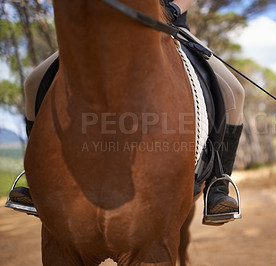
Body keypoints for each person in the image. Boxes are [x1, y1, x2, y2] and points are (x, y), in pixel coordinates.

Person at [9, 0, 245, 226]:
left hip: (170, 26)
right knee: (34, 82)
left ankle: (218, 184)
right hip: (102, 26)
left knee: (234, 92)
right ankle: (37, 180)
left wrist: (173, 9)